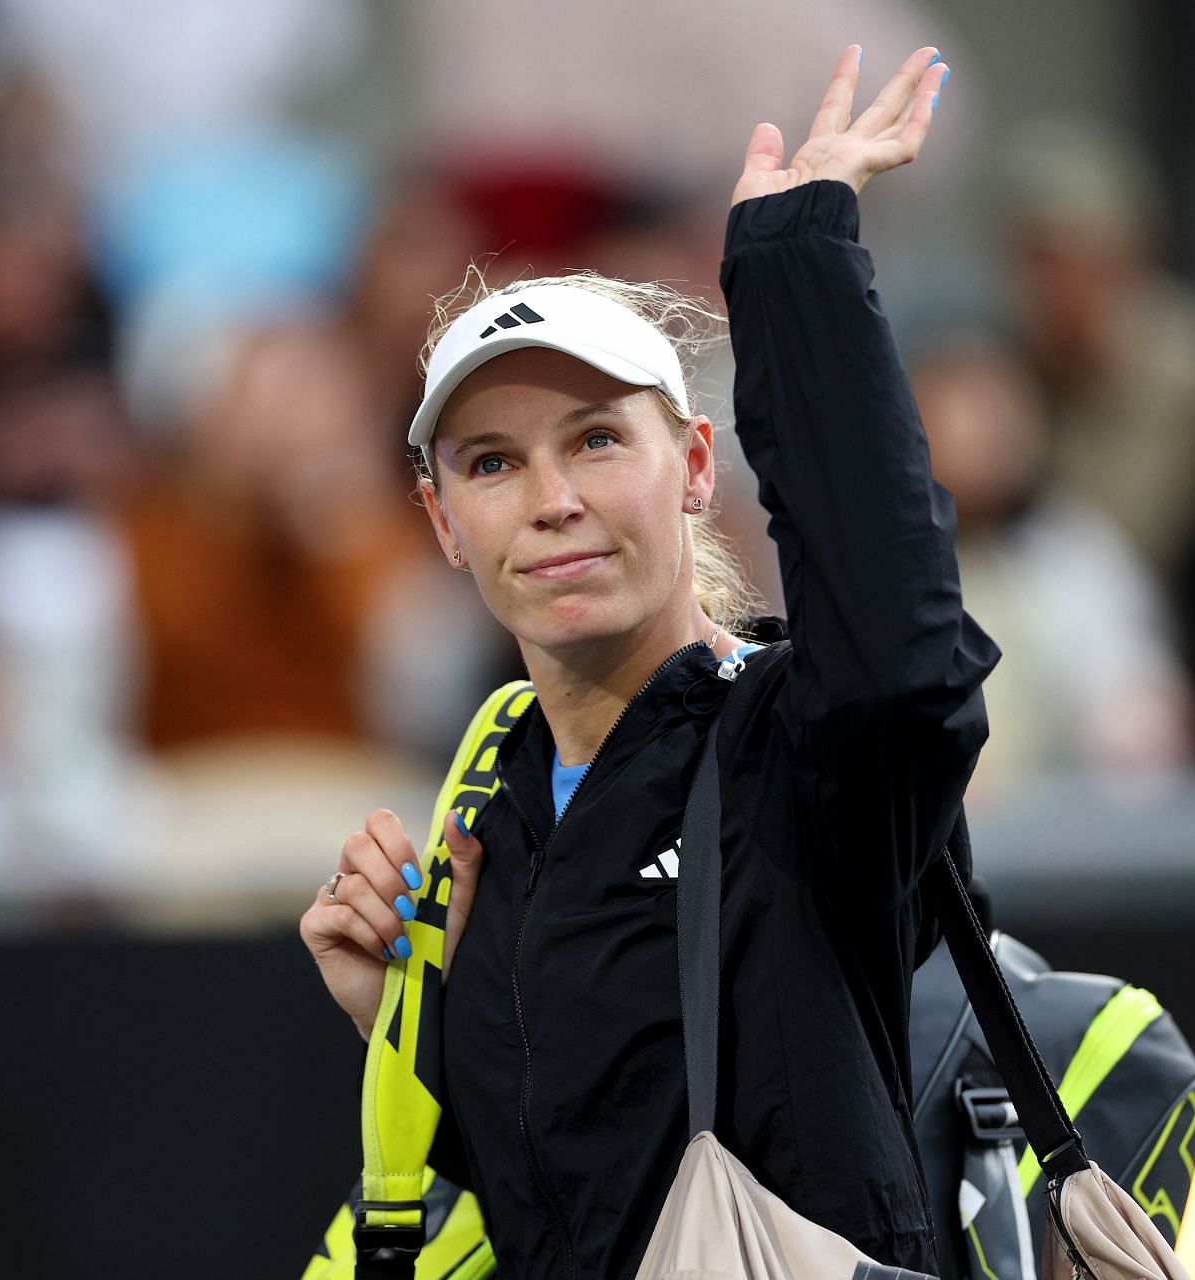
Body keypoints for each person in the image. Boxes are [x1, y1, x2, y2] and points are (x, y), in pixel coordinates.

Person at [299, 46, 991, 1276]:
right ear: (445, 522)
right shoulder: (488, 796)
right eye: (494, 461)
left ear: (694, 468)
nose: (553, 498)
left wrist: (796, 261)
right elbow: (583, 1189)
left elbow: (903, 656)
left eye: (598, 438)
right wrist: (418, 1037)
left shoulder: (799, 744)